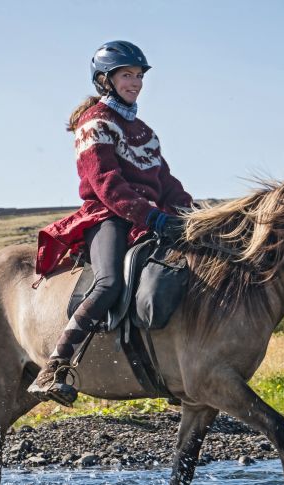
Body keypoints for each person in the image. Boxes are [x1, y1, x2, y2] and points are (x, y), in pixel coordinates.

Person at [28, 40, 194, 406]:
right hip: (109, 216)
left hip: (149, 219)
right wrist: (148, 215)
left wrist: (191, 214)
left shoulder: (147, 132)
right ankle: (55, 366)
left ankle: (177, 370)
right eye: (126, 75)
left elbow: (165, 183)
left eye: (138, 76)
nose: (135, 82)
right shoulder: (95, 123)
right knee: (108, 283)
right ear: (105, 80)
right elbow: (106, 183)